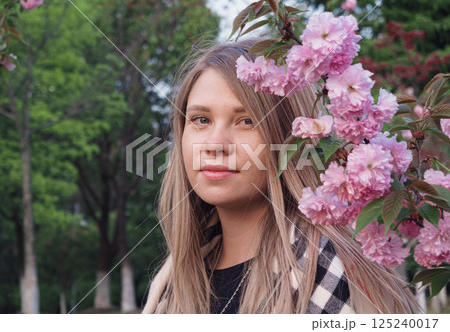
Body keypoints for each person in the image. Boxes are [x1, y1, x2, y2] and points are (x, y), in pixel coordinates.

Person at [142, 39, 421, 314]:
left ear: (293, 138)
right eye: (201, 120)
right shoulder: (171, 289)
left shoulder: (324, 267)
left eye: (247, 121)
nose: (215, 145)